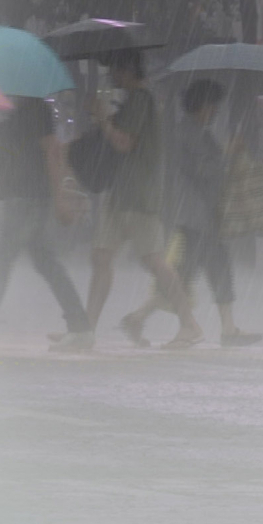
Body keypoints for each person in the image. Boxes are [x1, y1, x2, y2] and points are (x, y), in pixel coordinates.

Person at [118, 80, 262, 347]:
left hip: (198, 215)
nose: (216, 112)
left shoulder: (193, 130)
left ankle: (141, 318)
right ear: (204, 105)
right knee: (194, 272)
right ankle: (211, 328)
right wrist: (229, 154)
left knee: (194, 271)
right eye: (214, 106)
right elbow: (205, 170)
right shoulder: (189, 133)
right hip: (196, 216)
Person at [0, 97, 92, 353]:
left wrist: (60, 197)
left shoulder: (35, 107)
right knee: (46, 263)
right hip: (24, 196)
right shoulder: (15, 109)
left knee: (1, 261)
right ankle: (80, 327)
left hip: (28, 198)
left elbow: (52, 150)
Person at [85, 49, 202, 349]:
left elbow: (124, 142)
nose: (111, 76)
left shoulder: (140, 100)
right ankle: (85, 329)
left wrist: (103, 120)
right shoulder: (134, 102)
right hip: (121, 193)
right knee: (101, 257)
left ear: (126, 70)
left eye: (114, 69)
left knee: (154, 260)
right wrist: (107, 119)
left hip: (137, 195)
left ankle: (189, 324)